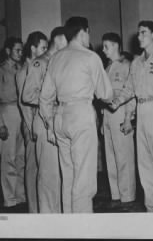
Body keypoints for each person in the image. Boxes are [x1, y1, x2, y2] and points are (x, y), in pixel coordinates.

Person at [39, 17, 113, 213]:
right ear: (83, 32)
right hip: (80, 115)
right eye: (89, 33)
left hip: (60, 117)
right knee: (84, 179)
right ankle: (83, 229)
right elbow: (106, 94)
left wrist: (49, 122)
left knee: (69, 176)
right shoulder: (90, 57)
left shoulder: (56, 58)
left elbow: (44, 98)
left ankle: (68, 226)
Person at [111, 21, 153, 212]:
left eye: (143, 33)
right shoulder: (137, 62)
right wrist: (117, 104)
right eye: (138, 33)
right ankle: (151, 208)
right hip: (142, 111)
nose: (139, 37)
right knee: (144, 164)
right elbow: (130, 89)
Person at [22, 26, 68, 213]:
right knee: (48, 175)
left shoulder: (58, 62)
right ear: (59, 40)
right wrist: (50, 100)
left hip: (57, 120)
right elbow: (27, 95)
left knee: (58, 174)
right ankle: (48, 218)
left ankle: (57, 215)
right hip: (43, 120)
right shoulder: (39, 63)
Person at [0, 37, 26, 208]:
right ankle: (9, 198)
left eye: (21, 50)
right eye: (17, 50)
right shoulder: (0, 72)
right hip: (7, 112)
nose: (20, 53)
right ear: (8, 51)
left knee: (21, 157)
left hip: (21, 113)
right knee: (8, 157)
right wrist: (0, 124)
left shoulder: (21, 69)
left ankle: (21, 195)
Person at [101, 32, 136, 207]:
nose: (103, 50)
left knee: (124, 156)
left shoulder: (126, 66)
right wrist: (102, 121)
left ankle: (127, 195)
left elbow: (132, 93)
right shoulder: (107, 67)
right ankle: (116, 193)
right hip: (108, 115)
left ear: (115, 46)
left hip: (121, 114)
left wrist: (129, 119)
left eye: (106, 46)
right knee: (111, 156)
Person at [16, 31, 48, 213]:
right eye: (43, 48)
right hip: (31, 124)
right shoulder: (23, 71)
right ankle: (33, 210)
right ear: (33, 48)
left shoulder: (38, 67)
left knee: (42, 167)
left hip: (40, 121)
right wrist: (30, 128)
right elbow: (24, 105)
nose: (45, 52)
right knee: (32, 169)